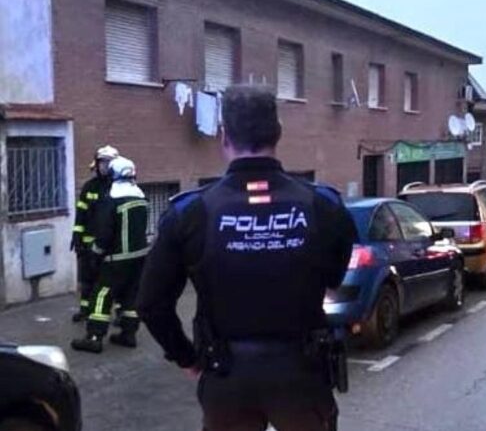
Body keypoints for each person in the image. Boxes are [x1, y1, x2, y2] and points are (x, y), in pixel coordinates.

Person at [137, 85, 356, 431]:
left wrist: (187, 358)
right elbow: (333, 276)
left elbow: (151, 304)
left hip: (225, 376)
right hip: (301, 375)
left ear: (224, 136)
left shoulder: (190, 213)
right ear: (278, 133)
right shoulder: (324, 207)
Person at [71, 157, 149, 353]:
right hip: (139, 256)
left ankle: (94, 337)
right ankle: (128, 334)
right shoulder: (141, 197)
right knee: (131, 295)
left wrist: (95, 254)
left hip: (116, 258)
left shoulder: (112, 200)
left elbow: (104, 232)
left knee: (102, 293)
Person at [71, 145, 118, 322]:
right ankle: (85, 310)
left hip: (109, 246)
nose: (104, 166)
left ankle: (119, 314)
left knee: (110, 280)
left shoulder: (117, 188)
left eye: (108, 163)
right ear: (97, 164)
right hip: (88, 245)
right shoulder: (89, 187)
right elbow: (80, 214)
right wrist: (77, 238)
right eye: (102, 162)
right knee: (87, 279)